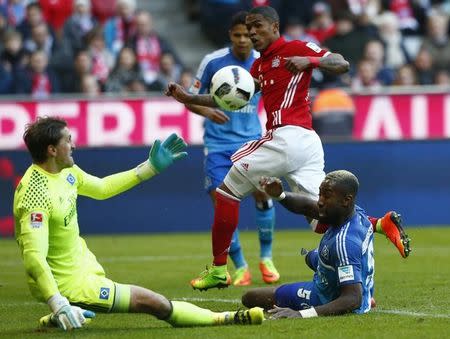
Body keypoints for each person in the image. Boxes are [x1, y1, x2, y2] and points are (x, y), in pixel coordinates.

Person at [165, 6, 410, 292]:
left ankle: (220, 269)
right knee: (322, 216)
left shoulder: (295, 47)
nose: (252, 32)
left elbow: (341, 63)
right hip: (305, 144)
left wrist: (309, 60)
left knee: (226, 193)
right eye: (248, 27)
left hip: (288, 136)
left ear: (275, 27)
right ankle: (381, 224)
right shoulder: (259, 66)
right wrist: (188, 97)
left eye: (257, 26)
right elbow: (231, 98)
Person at [13, 117, 264, 331]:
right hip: (70, 285)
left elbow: (101, 188)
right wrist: (58, 301)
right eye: (67, 140)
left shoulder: (66, 172)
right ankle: (227, 318)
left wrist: (150, 168)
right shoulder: (35, 194)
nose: (73, 145)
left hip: (83, 266)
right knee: (153, 302)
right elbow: (34, 258)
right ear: (52, 150)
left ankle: (58, 318)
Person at [185, 11, 279, 286]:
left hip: (251, 142)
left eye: (246, 35)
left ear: (253, 35)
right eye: (236, 35)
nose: (242, 40)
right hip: (217, 145)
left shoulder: (263, 63)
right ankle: (239, 267)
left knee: (262, 192)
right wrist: (208, 112)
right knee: (222, 201)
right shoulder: (213, 62)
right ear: (230, 35)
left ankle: (266, 258)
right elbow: (190, 97)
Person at [241, 171, 375, 317]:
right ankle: (364, 292)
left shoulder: (344, 243)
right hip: (344, 278)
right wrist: (280, 195)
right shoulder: (353, 213)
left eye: (327, 195)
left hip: (325, 296)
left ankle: (359, 292)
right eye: (320, 194)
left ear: (346, 200)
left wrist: (301, 314)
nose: (320, 201)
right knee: (309, 256)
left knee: (250, 297)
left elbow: (352, 299)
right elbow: (307, 207)